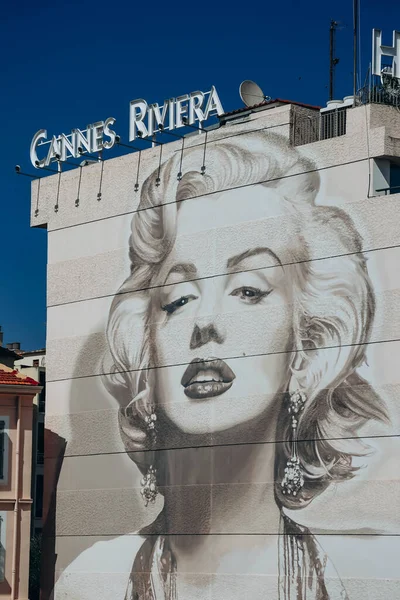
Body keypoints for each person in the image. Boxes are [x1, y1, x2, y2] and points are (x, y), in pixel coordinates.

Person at [56, 130, 388, 600]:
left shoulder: (369, 578)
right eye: (178, 299)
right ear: (148, 349)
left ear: (306, 346)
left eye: (249, 290)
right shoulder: (92, 583)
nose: (206, 321)